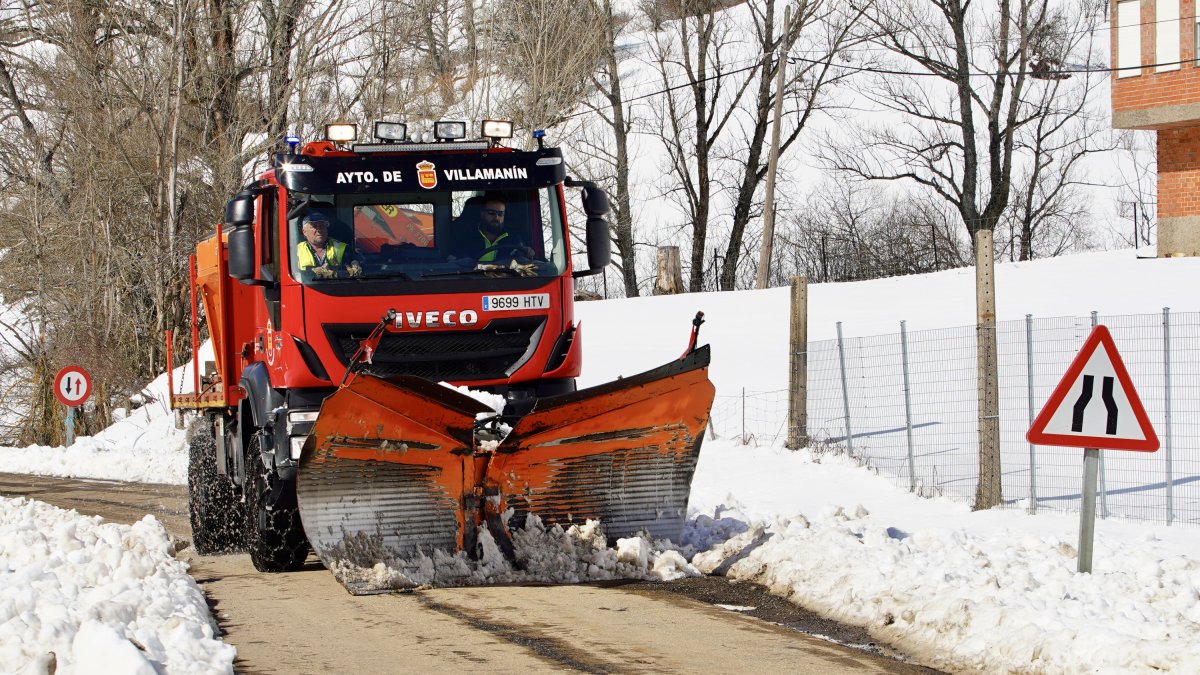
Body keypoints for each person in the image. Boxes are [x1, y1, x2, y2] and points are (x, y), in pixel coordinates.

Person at [451, 193, 535, 261]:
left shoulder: (513, 237)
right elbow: (455, 263)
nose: (496, 217)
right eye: (491, 213)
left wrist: (528, 252)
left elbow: (523, 258)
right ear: (482, 214)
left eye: (500, 214)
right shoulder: (467, 236)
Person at [296, 211, 361, 278]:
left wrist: (355, 266)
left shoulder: (341, 248)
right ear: (304, 232)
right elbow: (294, 274)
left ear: (326, 229)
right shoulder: (295, 251)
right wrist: (312, 273)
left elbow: (359, 267)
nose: (319, 230)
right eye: (314, 226)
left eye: (322, 225)